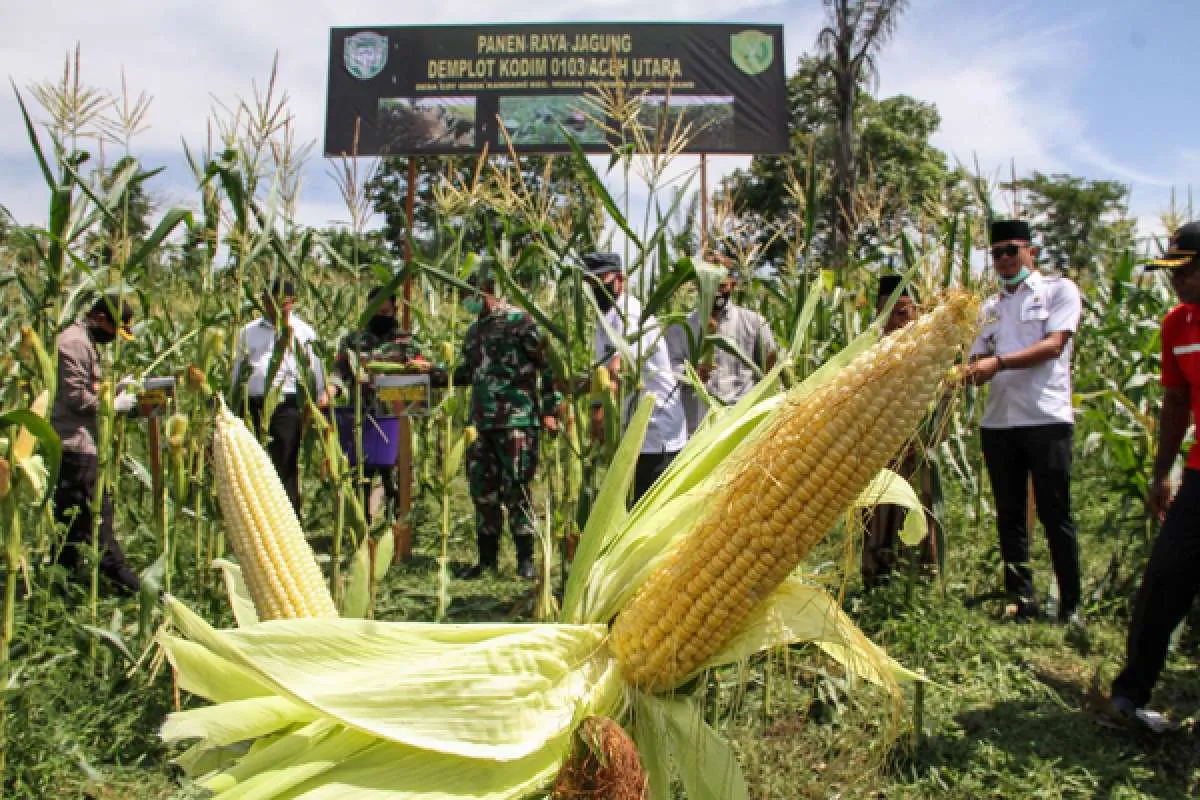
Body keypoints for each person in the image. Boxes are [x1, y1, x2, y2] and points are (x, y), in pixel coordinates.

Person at [1102, 222, 1200, 726]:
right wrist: (1163, 473)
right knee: (1163, 580)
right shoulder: (1177, 325)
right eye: (1170, 272)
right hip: (1199, 476)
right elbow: (1177, 402)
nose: (1174, 281)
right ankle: (1129, 695)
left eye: (1184, 271)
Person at [963, 219, 1083, 623]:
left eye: (1011, 250)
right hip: (999, 422)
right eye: (996, 254)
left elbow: (1054, 345)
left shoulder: (1058, 291)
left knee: (1054, 512)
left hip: (1045, 417)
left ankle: (1071, 602)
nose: (1004, 260)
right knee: (1010, 513)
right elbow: (975, 359)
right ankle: (1021, 597)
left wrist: (997, 363)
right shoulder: (988, 309)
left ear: (1031, 250)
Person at [456, 271, 560, 580]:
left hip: (516, 420)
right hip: (481, 424)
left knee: (518, 489)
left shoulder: (521, 322)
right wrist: (431, 373)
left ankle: (525, 559)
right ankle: (487, 560)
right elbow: (468, 372)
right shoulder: (474, 332)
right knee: (482, 491)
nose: (467, 300)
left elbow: (548, 364)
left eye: (470, 293)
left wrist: (549, 410)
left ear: (486, 290)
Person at [51, 293, 142, 594]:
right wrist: (112, 405)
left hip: (84, 443)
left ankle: (60, 589)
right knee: (95, 518)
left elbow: (88, 388)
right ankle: (126, 584)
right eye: (113, 330)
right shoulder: (75, 343)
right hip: (75, 445)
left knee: (72, 525)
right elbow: (76, 396)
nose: (112, 338)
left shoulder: (85, 341)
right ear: (100, 319)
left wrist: (115, 391)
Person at [584, 252, 688, 504]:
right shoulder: (607, 314)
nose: (595, 289)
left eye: (601, 281)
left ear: (620, 279)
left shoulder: (628, 314)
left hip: (655, 432)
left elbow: (618, 371)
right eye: (590, 284)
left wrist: (597, 413)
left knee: (648, 510)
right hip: (635, 430)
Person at [860, 275, 939, 588]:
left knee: (918, 509)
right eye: (887, 314)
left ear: (916, 311)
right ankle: (876, 576)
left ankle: (920, 576)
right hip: (880, 448)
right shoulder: (870, 352)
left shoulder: (930, 350)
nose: (896, 322)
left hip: (918, 447)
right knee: (877, 512)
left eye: (903, 313)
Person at [333, 285, 429, 522]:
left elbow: (421, 368)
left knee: (396, 476)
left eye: (387, 313)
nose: (382, 317)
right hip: (361, 416)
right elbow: (339, 372)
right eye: (378, 312)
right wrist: (329, 390)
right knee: (360, 475)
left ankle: (396, 526)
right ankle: (361, 529)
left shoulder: (406, 341)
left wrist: (419, 367)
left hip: (395, 418)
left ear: (395, 310)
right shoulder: (353, 340)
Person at [231, 279, 327, 513]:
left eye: (281, 302)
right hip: (252, 405)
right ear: (263, 301)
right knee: (253, 466)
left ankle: (288, 519)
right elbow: (237, 370)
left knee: (284, 463)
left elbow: (315, 371)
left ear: (292, 303)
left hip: (287, 406)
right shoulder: (249, 332)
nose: (274, 306)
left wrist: (316, 403)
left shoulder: (303, 333)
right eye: (269, 300)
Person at [666, 254, 778, 434]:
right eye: (708, 285)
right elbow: (670, 370)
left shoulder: (755, 323)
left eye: (721, 285)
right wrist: (692, 374)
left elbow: (770, 371)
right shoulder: (680, 327)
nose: (716, 292)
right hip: (697, 426)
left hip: (740, 422)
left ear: (733, 284)